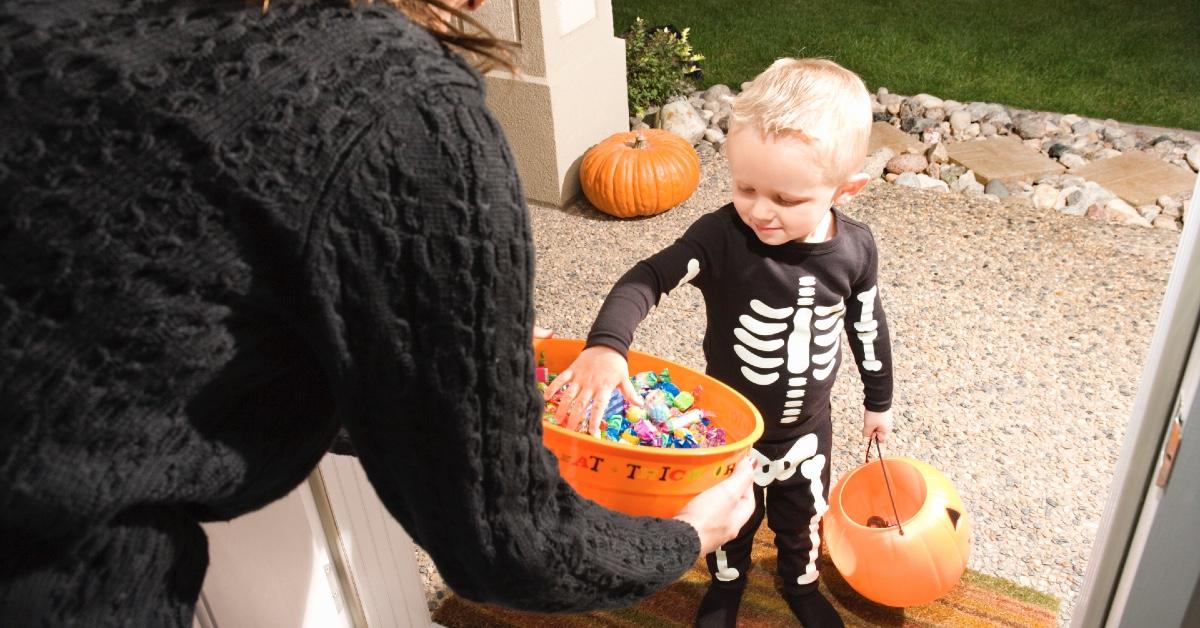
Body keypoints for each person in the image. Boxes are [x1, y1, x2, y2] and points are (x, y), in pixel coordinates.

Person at [0, 1, 757, 625]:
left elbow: (179, 315)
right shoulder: (405, 111)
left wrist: (427, 357)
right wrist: (683, 535)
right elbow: (505, 541)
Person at [545, 58, 896, 627]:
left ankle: (800, 583)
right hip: (730, 428)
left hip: (810, 427)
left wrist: (877, 401)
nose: (760, 210)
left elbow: (867, 323)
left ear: (846, 190)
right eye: (745, 187)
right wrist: (608, 344)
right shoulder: (721, 237)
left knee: (803, 514)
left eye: (785, 199)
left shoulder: (855, 250)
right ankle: (727, 586)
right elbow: (646, 278)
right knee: (729, 516)